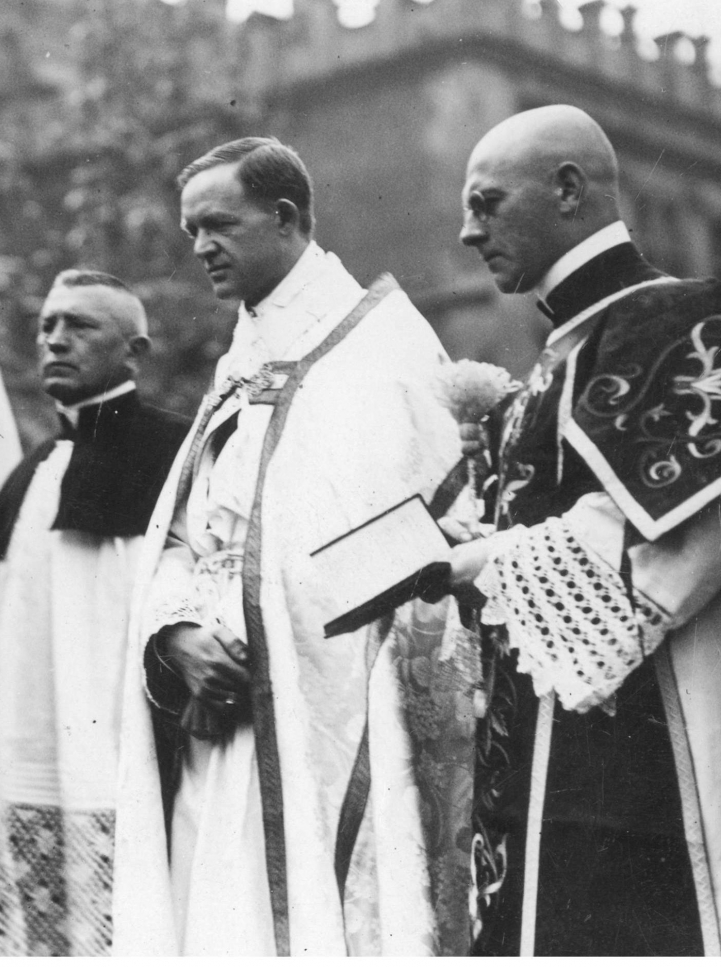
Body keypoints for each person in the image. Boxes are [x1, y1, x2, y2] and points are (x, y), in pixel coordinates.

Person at [436, 105, 721, 956]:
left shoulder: (686, 323)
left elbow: (678, 544)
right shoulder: (559, 352)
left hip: (663, 726)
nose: (467, 231)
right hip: (543, 741)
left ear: (567, 190)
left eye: (485, 203)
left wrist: (485, 560)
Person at [111, 137, 463, 955]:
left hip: (327, 715)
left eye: (218, 225)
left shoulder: (383, 347)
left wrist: (251, 623)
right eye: (191, 230)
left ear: (284, 217)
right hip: (218, 712)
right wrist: (177, 632)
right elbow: (185, 530)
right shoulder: (243, 355)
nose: (201, 247)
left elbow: (416, 547)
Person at [0, 269, 187, 955]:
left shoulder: (173, 450)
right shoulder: (34, 467)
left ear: (134, 354)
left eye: (79, 326)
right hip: (23, 739)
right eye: (47, 325)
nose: (55, 340)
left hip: (120, 737)